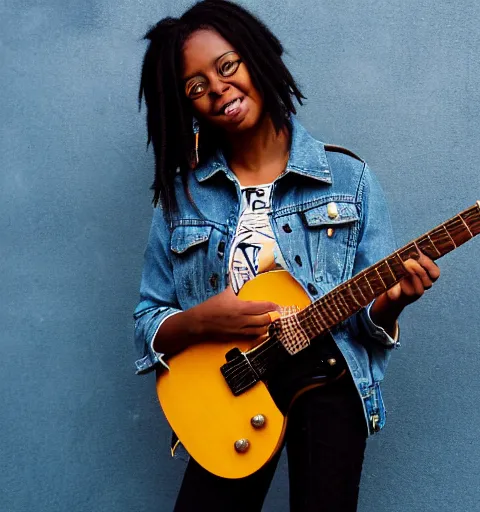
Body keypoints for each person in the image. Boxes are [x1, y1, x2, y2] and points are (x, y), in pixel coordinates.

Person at [133, 1, 440, 510]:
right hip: (228, 394)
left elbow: (367, 319)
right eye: (196, 86)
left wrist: (392, 304)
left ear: (255, 58)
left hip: (329, 383)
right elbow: (147, 321)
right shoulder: (181, 198)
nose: (217, 88)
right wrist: (202, 323)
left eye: (227, 66)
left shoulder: (350, 180)